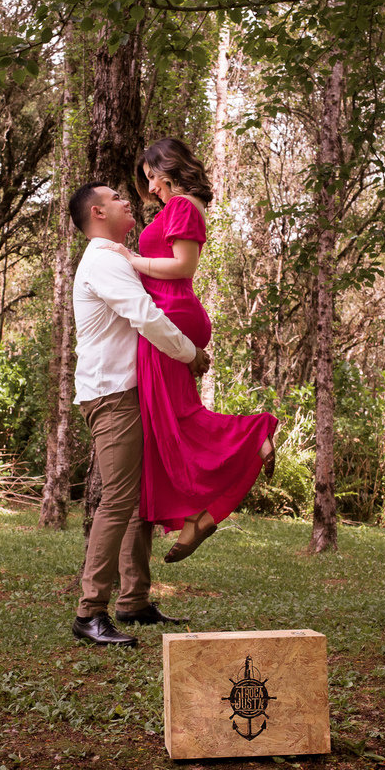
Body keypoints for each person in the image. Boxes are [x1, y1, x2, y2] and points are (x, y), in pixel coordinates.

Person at [108, 137, 278, 564]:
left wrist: (131, 259)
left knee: (173, 418)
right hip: (171, 311)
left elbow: (184, 266)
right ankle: (195, 517)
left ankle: (254, 434)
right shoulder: (179, 207)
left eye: (154, 177)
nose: (151, 188)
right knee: (171, 418)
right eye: (147, 180)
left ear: (171, 169)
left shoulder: (182, 206)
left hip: (169, 312)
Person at [67, 181, 211, 648]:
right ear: (97, 212)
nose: (127, 199)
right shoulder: (103, 261)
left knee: (135, 498)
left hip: (130, 392)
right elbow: (145, 316)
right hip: (112, 395)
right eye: (115, 198)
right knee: (118, 499)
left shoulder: (118, 259)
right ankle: (90, 613)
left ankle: (133, 600)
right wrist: (189, 353)